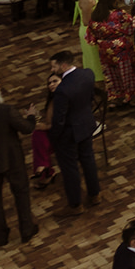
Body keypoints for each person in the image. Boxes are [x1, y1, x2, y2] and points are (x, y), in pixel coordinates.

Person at [0, 78, 35, 245]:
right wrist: (31, 116)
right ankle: (26, 230)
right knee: (21, 193)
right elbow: (27, 128)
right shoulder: (6, 110)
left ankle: (1, 235)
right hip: (12, 160)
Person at [49, 50, 99, 213]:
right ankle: (95, 194)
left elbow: (59, 119)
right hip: (86, 125)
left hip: (69, 133)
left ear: (63, 65)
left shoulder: (62, 89)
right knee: (88, 160)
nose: (52, 70)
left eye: (54, 66)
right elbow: (91, 97)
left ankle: (75, 204)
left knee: (70, 168)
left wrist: (53, 137)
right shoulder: (87, 74)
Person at [89, 0, 135, 107]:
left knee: (110, 73)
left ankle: (114, 97)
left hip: (104, 49)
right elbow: (130, 26)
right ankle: (130, 97)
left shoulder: (95, 15)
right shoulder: (119, 14)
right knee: (126, 72)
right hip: (120, 48)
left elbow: (91, 34)